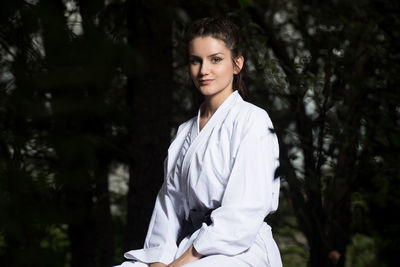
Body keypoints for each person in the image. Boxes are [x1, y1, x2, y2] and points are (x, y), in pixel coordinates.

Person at [115, 17, 282, 267]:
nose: (203, 70)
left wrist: (181, 262)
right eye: (196, 60)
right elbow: (169, 204)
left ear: (237, 64)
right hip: (189, 245)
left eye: (216, 59)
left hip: (238, 249)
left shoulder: (253, 120)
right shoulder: (184, 132)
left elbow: (244, 212)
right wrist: (160, 261)